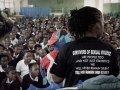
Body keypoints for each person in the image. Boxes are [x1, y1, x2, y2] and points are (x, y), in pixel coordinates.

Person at [50, 6, 119, 87]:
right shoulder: (110, 49)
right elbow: (114, 77)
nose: (103, 26)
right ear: (97, 25)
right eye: (103, 22)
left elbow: (56, 78)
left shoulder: (67, 48)